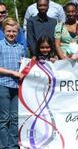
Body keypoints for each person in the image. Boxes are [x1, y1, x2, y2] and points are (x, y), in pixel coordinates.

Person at [0, 18, 25, 149]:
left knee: (15, 118)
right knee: (4, 118)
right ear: (3, 31)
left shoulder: (21, 48)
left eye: (14, 31)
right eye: (8, 31)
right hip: (3, 84)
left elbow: (24, 67)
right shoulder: (0, 45)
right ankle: (3, 146)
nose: (11, 34)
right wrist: (12, 73)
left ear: (18, 32)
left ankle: (13, 146)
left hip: (16, 86)